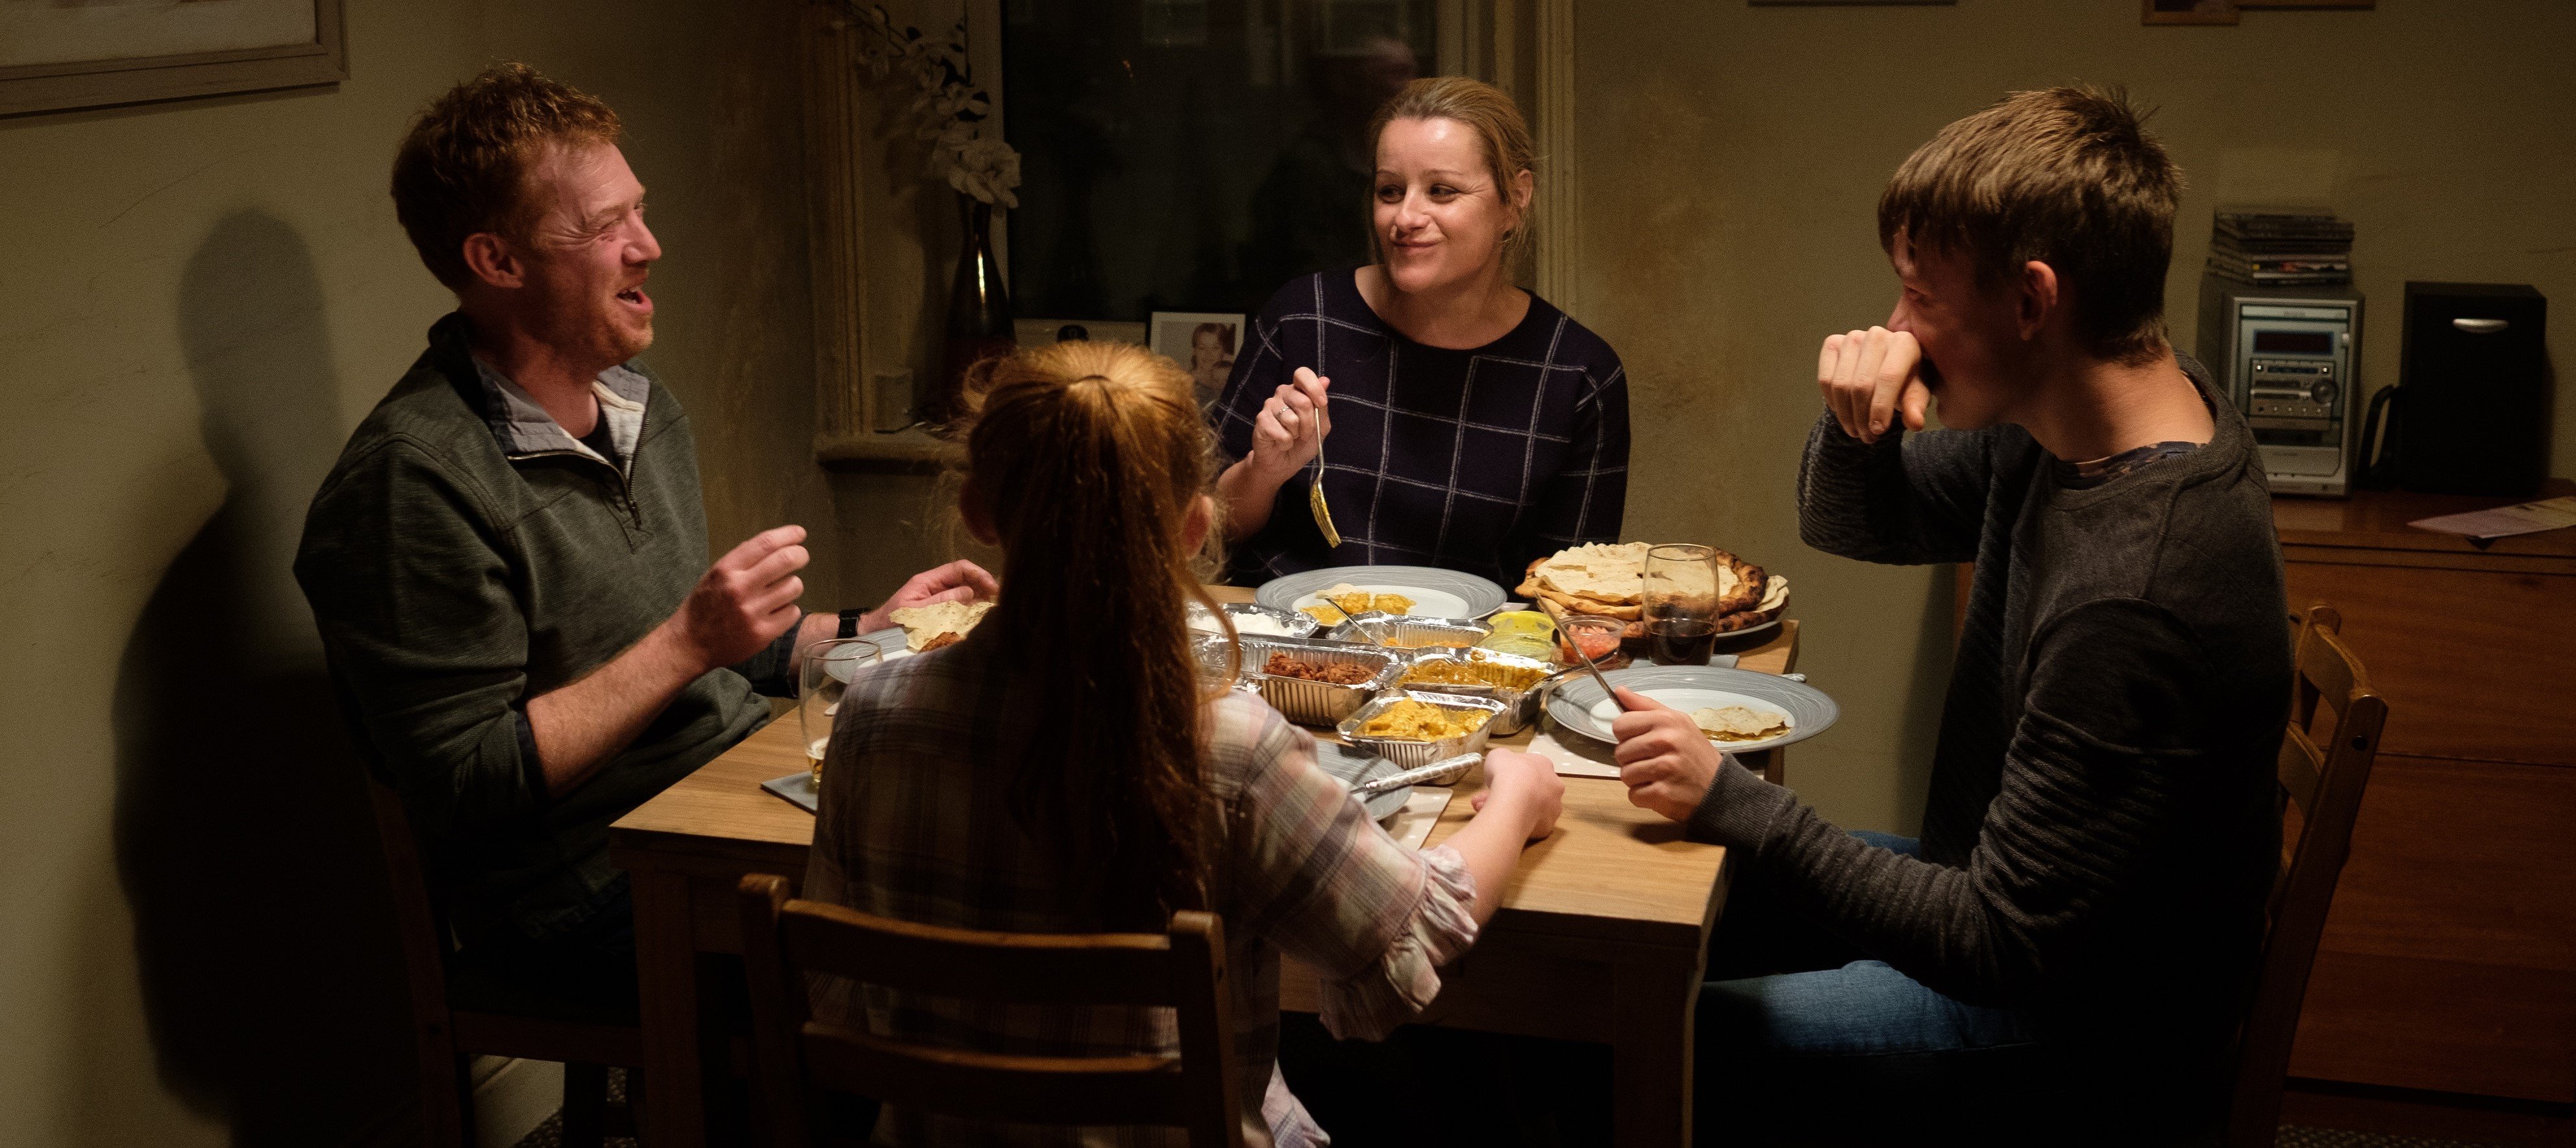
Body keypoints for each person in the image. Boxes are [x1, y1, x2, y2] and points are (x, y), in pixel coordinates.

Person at [1607, 88, 2292, 1143]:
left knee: (1653, 1022)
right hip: (1990, 898)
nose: (1892, 328)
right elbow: (1859, 520)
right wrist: (1856, 422)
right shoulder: (2091, 413)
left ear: (2031, 300)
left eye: (1918, 297)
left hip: (2080, 1034)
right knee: (1649, 901)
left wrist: (1732, 796)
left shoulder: (2141, 581)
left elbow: (1994, 940)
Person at [295, 64, 992, 1003]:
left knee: (996, 839)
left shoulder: (637, 404)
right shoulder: (408, 485)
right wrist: (685, 642)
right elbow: (463, 787)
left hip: (726, 798)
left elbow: (709, 657)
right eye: (603, 227)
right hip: (586, 892)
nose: (649, 246)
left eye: (641, 211)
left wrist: (872, 626)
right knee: (945, 930)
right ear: (497, 261)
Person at [806, 339, 1566, 1145]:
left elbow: (838, 995)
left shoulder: (872, 712)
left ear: (978, 511)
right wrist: (1516, 799)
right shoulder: (1228, 749)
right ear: (1194, 524)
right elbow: (1408, 930)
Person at [1213, 76, 1629, 590]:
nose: (1406, 217)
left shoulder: (1578, 375)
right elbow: (1209, 528)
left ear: (1514, 199)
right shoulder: (1304, 318)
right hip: (1293, 650)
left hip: (1473, 665)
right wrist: (1264, 471)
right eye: (1390, 190)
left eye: (1442, 191)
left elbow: (1575, 594)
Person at [1186, 319, 1236, 402]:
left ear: (1224, 351)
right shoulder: (1186, 383)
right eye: (1202, 348)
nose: (1208, 354)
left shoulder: (1227, 379)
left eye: (1215, 348)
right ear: (1194, 351)